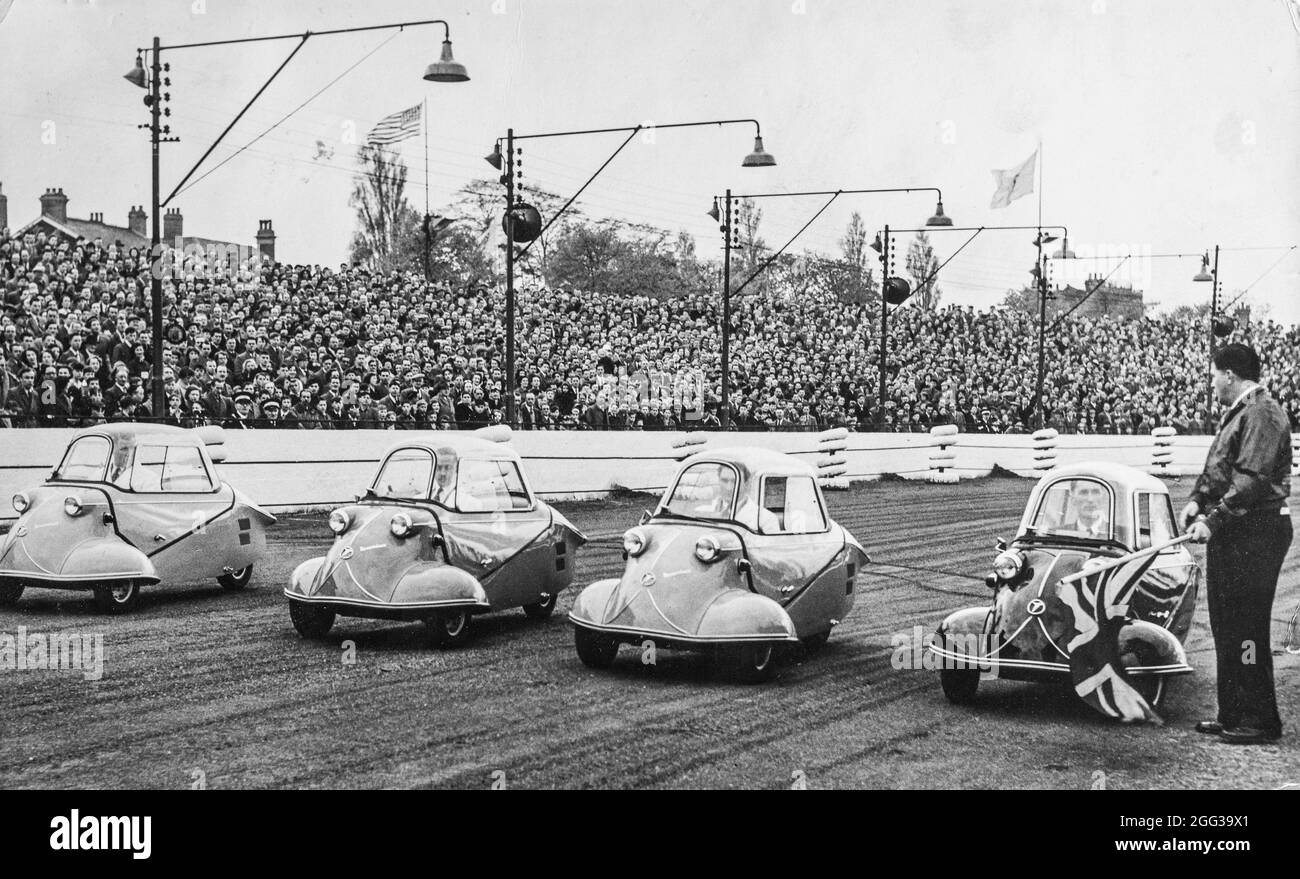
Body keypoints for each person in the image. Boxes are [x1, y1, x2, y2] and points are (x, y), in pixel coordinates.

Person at [1179, 343, 1293, 745]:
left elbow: (1251, 480)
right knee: (1227, 625)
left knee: (1246, 628)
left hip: (1256, 531)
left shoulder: (1262, 412)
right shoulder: (1245, 412)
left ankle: (1259, 719)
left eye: (1213, 375)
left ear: (1230, 374)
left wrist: (1213, 519)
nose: (1211, 383)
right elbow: (1220, 467)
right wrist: (1197, 499)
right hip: (1237, 530)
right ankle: (1233, 712)